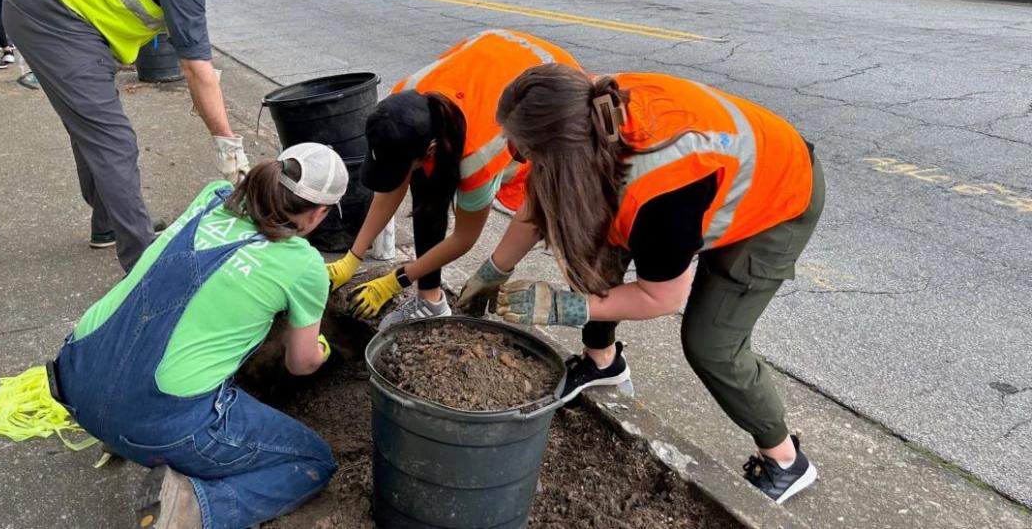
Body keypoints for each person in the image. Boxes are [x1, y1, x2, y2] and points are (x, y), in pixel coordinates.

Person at [460, 64, 824, 504]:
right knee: (596, 254)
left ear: (564, 154)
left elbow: (661, 296)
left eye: (523, 152)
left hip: (775, 196)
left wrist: (563, 308)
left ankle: (785, 460)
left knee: (711, 343)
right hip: (704, 181)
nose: (517, 157)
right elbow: (541, 197)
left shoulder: (660, 200)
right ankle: (602, 363)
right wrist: (492, 272)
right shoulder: (584, 107)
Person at [50, 143, 346, 529]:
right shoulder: (303, 263)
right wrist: (322, 350)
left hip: (77, 375)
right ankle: (195, 509)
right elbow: (300, 362)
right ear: (319, 213)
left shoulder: (213, 197)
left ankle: (117, 426)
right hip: (155, 421)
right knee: (312, 461)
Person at [2, 0, 284, 272]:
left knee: (93, 128)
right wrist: (228, 149)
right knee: (112, 139)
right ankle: (144, 265)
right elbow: (196, 67)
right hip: (50, 12)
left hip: (66, 8)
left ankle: (109, 224)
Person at [325, 29, 582, 330]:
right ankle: (430, 300)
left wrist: (397, 280)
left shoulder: (479, 158)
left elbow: (464, 238)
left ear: (431, 149)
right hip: (488, 55)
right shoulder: (403, 103)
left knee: (436, 188)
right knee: (426, 188)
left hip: (549, 87)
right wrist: (352, 257)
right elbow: (391, 187)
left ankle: (429, 300)